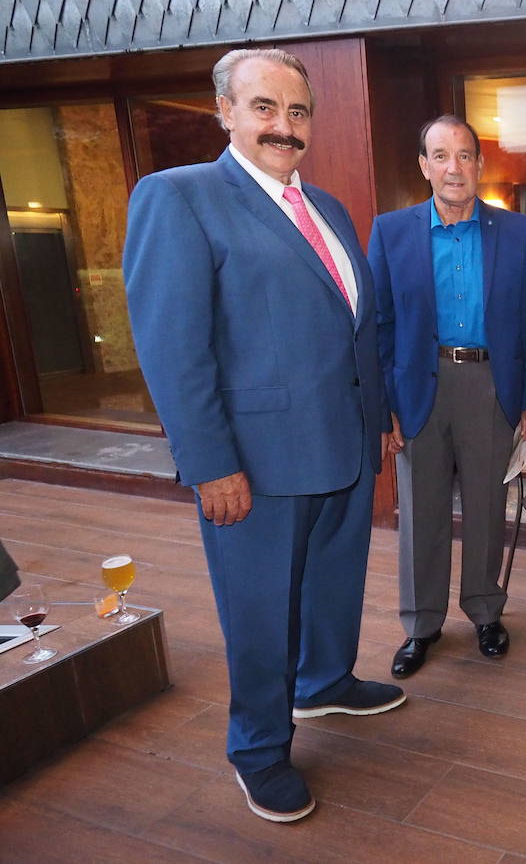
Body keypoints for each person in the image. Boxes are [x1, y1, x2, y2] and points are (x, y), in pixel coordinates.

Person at [123, 48, 399, 823]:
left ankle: (324, 683)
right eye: (265, 108)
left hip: (341, 446)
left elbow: (358, 330)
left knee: (333, 586)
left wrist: (375, 423)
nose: (284, 126)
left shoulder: (332, 210)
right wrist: (210, 464)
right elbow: (174, 349)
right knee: (259, 611)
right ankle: (258, 749)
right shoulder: (178, 198)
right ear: (226, 111)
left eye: (298, 111)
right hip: (256, 464)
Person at [369, 116, 526, 676]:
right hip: (418, 388)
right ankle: (421, 624)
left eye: (465, 155)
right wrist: (383, 408)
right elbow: (377, 325)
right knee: (421, 512)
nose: (454, 167)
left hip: (490, 384)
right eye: (441, 156)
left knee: (486, 508)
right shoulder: (390, 231)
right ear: (424, 166)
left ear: (479, 165)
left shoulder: (515, 232)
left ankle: (484, 611)